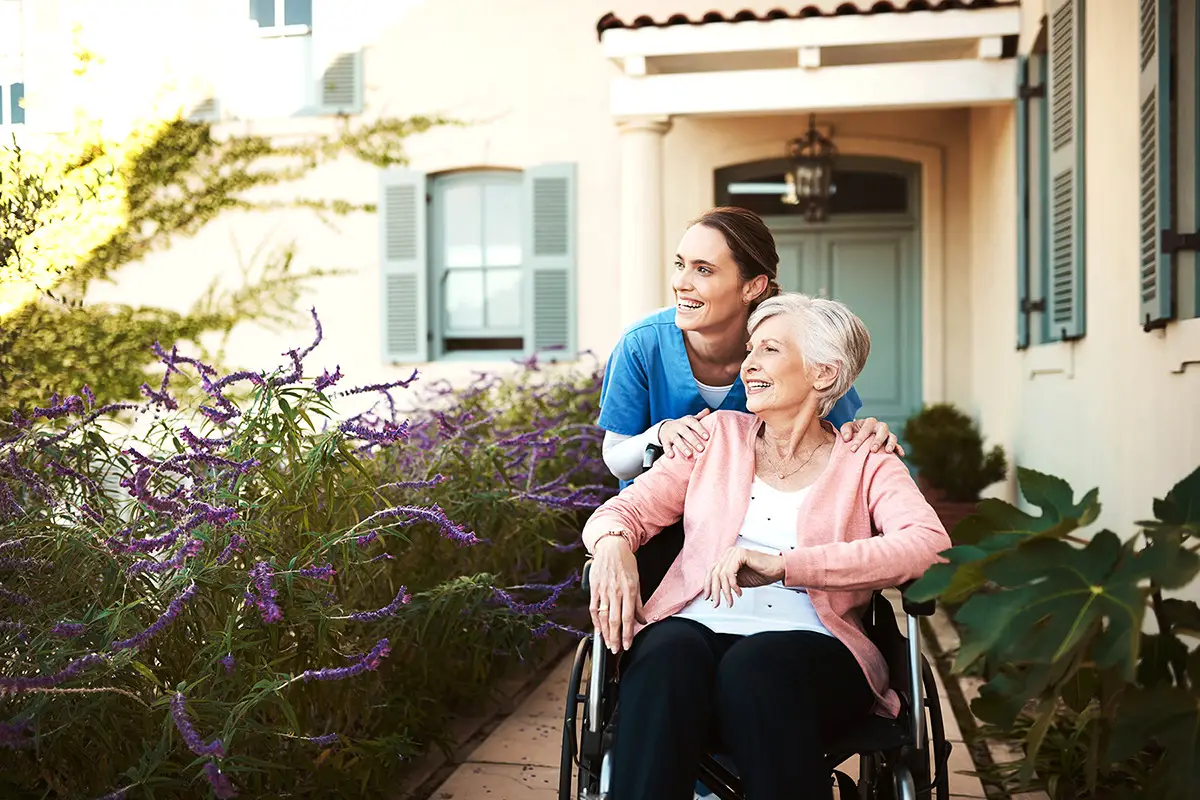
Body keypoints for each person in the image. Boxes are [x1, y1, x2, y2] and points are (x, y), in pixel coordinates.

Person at [581, 293, 952, 800]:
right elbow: (621, 512)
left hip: (815, 656)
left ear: (824, 373)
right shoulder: (717, 438)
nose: (748, 363)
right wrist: (612, 547)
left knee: (756, 665)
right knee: (665, 652)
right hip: (697, 638)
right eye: (750, 348)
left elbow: (929, 547)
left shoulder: (866, 460)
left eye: (769, 350)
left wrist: (786, 567)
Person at [598, 206, 901, 488]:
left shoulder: (802, 346)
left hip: (760, 530)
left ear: (752, 286)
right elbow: (616, 461)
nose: (680, 282)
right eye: (680, 264)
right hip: (656, 530)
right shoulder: (641, 343)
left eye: (703, 270)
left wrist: (866, 436)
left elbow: (835, 443)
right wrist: (659, 433)